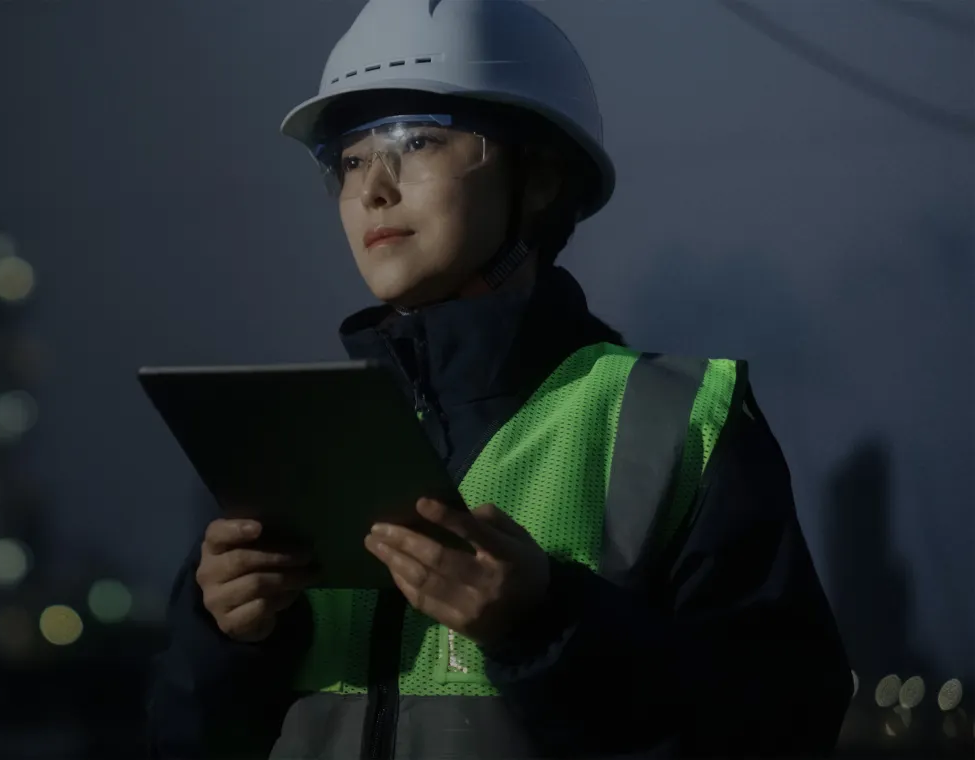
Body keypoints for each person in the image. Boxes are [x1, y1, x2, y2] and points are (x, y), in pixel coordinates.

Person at [145, 1, 852, 757]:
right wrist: (222, 638)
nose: (373, 188)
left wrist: (545, 628)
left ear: (539, 177)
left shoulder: (676, 423)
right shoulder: (296, 438)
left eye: (415, 140)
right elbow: (179, 738)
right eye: (348, 159)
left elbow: (782, 725)